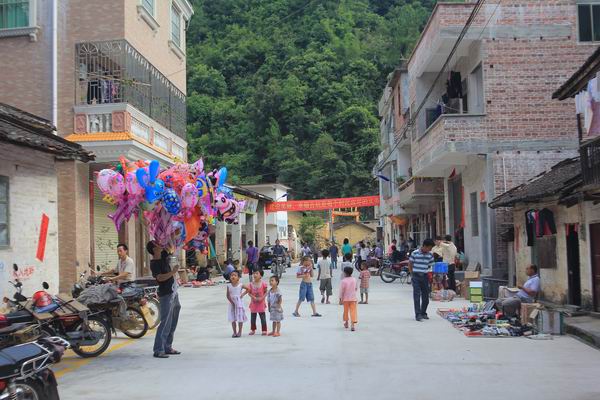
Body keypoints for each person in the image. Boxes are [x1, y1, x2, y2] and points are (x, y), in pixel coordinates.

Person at [147, 241, 181, 358]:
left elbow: (171, 245)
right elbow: (160, 278)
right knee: (166, 321)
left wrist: (172, 235)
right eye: (157, 244)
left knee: (173, 320)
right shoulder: (154, 263)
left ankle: (167, 346)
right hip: (166, 294)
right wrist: (173, 272)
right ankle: (158, 349)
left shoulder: (164, 256)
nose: (160, 245)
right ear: (154, 249)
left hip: (173, 291)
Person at [408, 239, 435, 322]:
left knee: (426, 296)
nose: (430, 250)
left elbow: (431, 266)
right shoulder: (415, 253)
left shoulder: (430, 255)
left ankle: (423, 312)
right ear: (424, 246)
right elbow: (410, 264)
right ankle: (418, 314)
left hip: (425, 276)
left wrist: (432, 275)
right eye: (429, 248)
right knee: (416, 296)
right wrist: (412, 274)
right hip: (416, 276)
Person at [246, 269, 268, 336]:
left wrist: (262, 298)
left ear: (260, 275)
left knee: (263, 318)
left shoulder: (263, 284)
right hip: (253, 304)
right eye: (254, 273)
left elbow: (266, 292)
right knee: (253, 318)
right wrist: (253, 297)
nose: (254, 275)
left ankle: (264, 330)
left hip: (261, 304)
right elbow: (249, 293)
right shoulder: (250, 284)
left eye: (256, 273)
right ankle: (253, 330)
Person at [226, 270, 248, 338]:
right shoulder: (229, 285)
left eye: (235, 275)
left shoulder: (240, 285)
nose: (233, 276)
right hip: (232, 303)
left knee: (239, 317)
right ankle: (234, 332)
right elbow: (227, 295)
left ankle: (240, 331)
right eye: (232, 275)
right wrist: (232, 302)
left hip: (239, 303)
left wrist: (242, 294)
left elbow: (248, 289)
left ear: (238, 278)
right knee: (233, 318)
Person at [339, 266, 358, 331]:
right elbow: (356, 288)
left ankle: (346, 323)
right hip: (353, 298)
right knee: (353, 311)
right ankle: (352, 325)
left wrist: (340, 299)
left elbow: (341, 291)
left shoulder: (343, 281)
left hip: (345, 299)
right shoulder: (354, 279)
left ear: (345, 273)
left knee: (346, 311)